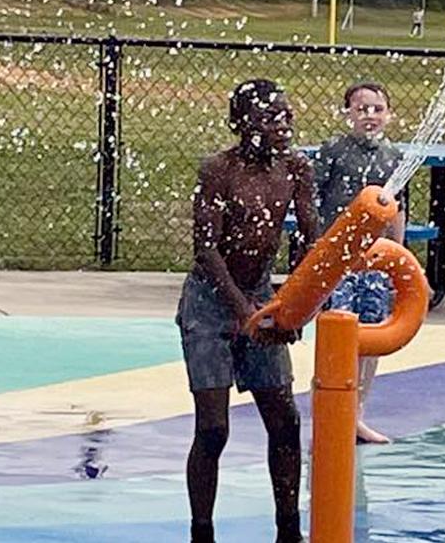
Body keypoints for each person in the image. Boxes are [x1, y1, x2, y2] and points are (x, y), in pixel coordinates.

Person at [178, 79, 316, 543]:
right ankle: (202, 531)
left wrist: (293, 308)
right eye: (270, 118)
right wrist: (243, 313)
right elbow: (206, 249)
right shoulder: (218, 170)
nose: (283, 125)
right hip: (210, 304)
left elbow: (307, 241)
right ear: (242, 125)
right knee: (214, 429)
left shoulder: (296, 168)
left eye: (286, 115)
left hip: (259, 297)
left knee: (286, 422)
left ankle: (288, 530)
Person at [311, 82, 406, 445]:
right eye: (361, 108)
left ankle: (357, 413)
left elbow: (396, 211)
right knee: (339, 332)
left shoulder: (393, 156)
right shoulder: (334, 151)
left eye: (377, 109)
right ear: (347, 113)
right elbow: (314, 200)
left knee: (372, 333)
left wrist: (399, 258)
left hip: (376, 260)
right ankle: (330, 404)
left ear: (389, 115)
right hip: (338, 259)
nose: (370, 115)